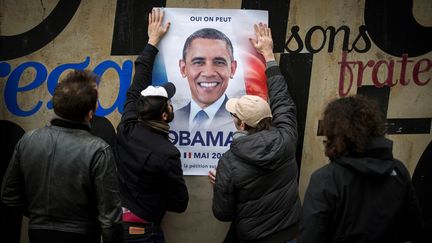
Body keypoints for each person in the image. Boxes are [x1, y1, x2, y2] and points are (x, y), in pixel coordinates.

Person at [1, 70, 122, 243]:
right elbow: (110, 219)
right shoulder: (98, 150)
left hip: (37, 234)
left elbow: (9, 195)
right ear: (90, 113)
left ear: (57, 106)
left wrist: (41, 219)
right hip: (82, 236)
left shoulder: (28, 140)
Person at [210, 23, 301, 243]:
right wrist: (268, 55)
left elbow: (223, 213)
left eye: (234, 116)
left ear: (241, 125)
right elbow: (283, 101)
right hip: (290, 234)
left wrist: (221, 184)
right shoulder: (286, 138)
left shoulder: (229, 163)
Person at [299, 95, 423, 243]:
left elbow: (310, 237)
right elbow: (413, 230)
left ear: (334, 133)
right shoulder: (399, 171)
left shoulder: (326, 179)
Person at [115, 8, 188, 243]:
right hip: (143, 233)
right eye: (168, 103)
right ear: (165, 115)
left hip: (117, 226)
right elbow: (180, 203)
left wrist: (152, 41)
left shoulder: (126, 127)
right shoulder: (167, 154)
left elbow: (138, 83)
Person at [169, 27, 238, 132]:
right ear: (183, 69)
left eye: (219, 62)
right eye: (198, 62)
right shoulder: (170, 121)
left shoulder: (243, 122)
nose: (209, 73)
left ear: (232, 69)